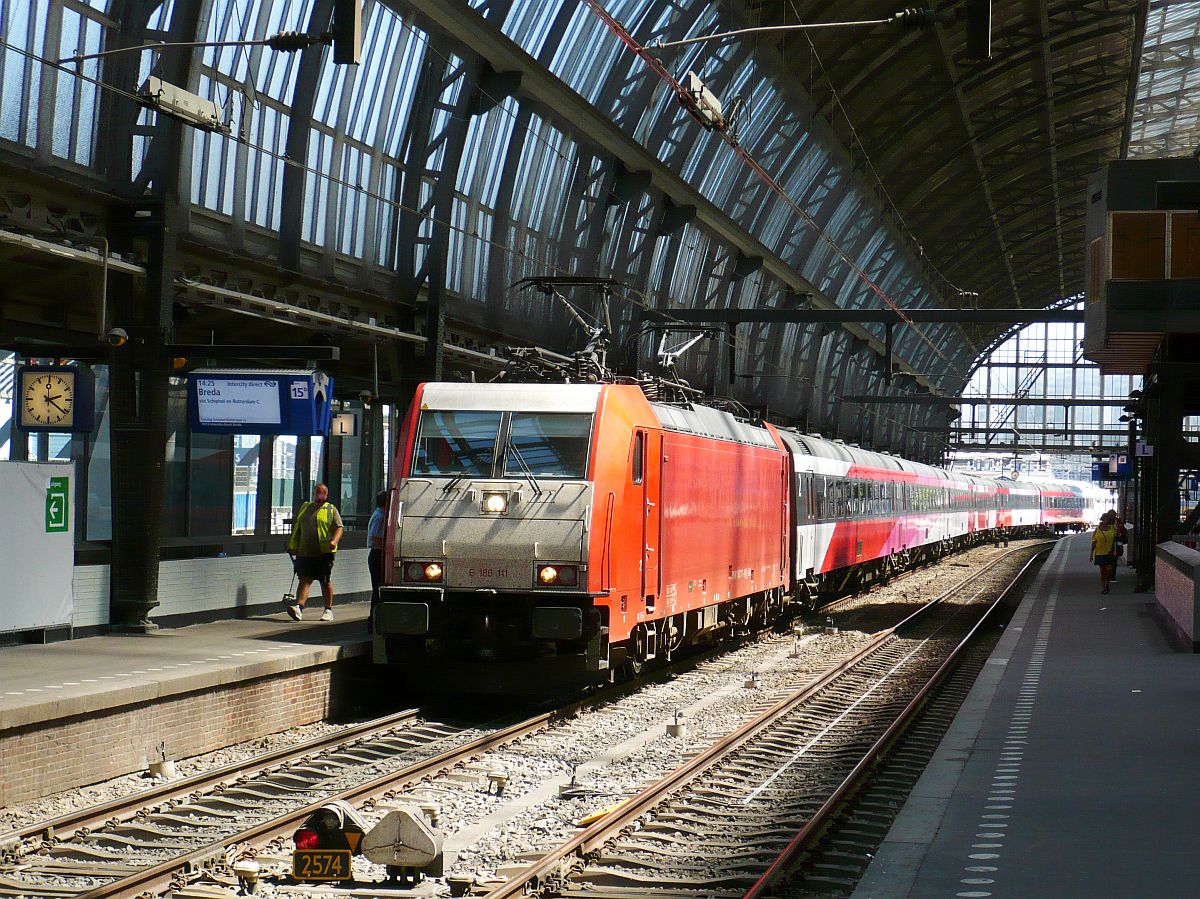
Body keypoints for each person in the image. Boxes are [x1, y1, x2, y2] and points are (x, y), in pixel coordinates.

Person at [286, 483, 343, 621]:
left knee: (325, 580)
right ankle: (299, 607)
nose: (319, 496)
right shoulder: (305, 507)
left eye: (322, 493)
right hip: (305, 551)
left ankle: (328, 610)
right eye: (317, 493)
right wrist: (294, 545)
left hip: (324, 552)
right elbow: (298, 527)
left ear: (326, 495)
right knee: (305, 579)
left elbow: (339, 527)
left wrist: (334, 541)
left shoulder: (331, 509)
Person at [367, 490, 388, 633]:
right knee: (377, 589)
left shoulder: (379, 514)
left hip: (377, 554)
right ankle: (373, 621)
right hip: (377, 554)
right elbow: (375, 536)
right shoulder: (380, 517)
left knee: (377, 589)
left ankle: (374, 620)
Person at [1090, 511, 1118, 594]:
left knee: (1109, 570)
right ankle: (1104, 587)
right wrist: (1091, 554)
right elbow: (1094, 542)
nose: (1105, 521)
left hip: (1109, 553)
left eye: (1107, 520)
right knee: (1102, 572)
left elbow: (1116, 539)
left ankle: (1107, 584)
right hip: (1099, 553)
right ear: (1102, 520)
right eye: (1104, 520)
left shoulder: (1113, 529)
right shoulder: (1097, 530)